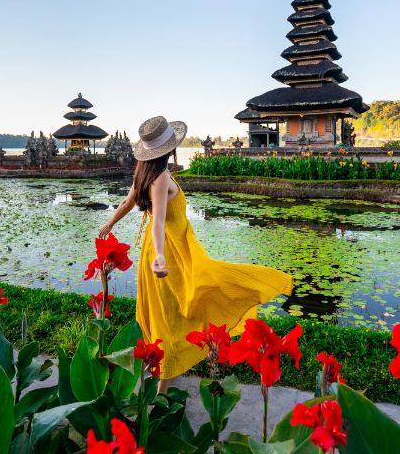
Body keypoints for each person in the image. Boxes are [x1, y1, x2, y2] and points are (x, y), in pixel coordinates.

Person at [94, 117, 294, 381]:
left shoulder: (143, 173)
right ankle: (164, 374)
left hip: (164, 249)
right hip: (170, 252)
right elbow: (158, 221)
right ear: (167, 149)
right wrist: (160, 257)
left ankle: (161, 365)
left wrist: (109, 223)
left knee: (175, 306)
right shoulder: (160, 177)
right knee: (177, 308)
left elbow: (127, 203)